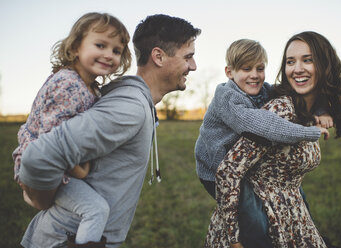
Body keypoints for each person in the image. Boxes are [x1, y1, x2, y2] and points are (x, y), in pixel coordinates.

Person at [18, 14, 201, 248]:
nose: (193, 66)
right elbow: (39, 155)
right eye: (189, 57)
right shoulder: (131, 107)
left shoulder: (135, 101)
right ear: (158, 56)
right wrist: (40, 199)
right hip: (66, 241)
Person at [205, 31, 341, 248]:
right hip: (260, 220)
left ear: (325, 64)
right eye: (290, 61)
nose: (297, 68)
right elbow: (229, 170)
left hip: (293, 215)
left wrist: (321, 110)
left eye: (307, 60)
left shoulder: (306, 111)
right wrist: (234, 239)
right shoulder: (278, 111)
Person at [12, 12, 131, 246]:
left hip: (57, 167)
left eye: (116, 51)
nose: (109, 55)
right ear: (76, 47)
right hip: (44, 168)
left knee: (61, 212)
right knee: (95, 209)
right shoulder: (67, 83)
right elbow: (51, 143)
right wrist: (81, 171)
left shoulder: (90, 86)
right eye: (100, 45)